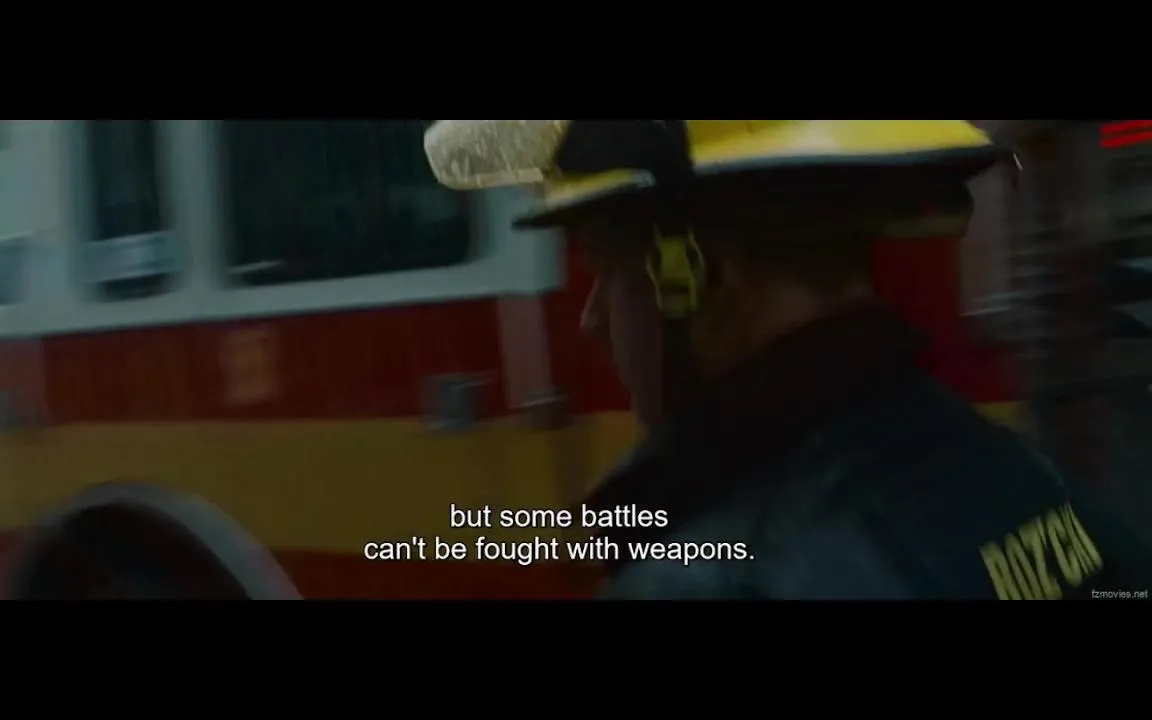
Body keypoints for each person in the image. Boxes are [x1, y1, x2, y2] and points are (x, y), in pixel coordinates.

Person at [424, 120, 1152, 599]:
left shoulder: (711, 582)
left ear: (698, 276)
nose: (590, 321)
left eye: (608, 274)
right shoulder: (1028, 480)